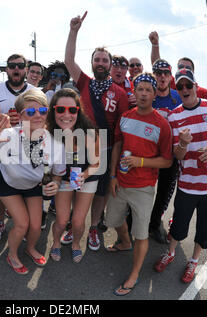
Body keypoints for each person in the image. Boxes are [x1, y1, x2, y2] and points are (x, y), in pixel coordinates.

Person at [0, 89, 65, 274]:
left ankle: (30, 248)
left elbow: (58, 173)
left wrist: (55, 183)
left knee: (35, 226)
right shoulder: (8, 136)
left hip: (32, 184)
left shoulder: (55, 141)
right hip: (8, 183)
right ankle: (12, 255)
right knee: (22, 224)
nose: (38, 116)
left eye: (42, 111)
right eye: (30, 112)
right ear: (20, 115)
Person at [154, 69, 207, 283]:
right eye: (180, 87)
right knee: (179, 224)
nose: (185, 90)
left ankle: (194, 261)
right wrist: (182, 143)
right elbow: (176, 154)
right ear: (177, 90)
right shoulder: (175, 115)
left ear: (196, 86)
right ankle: (170, 253)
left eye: (188, 85)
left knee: (205, 227)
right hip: (187, 184)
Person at [64, 11, 129, 251]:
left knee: (100, 191)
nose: (101, 63)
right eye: (97, 59)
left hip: (105, 147)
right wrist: (73, 31)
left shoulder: (121, 94)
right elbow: (69, 61)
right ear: (92, 62)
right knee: (75, 185)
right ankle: (73, 223)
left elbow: (121, 129)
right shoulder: (84, 82)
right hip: (79, 144)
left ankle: (93, 227)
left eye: (105, 60)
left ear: (110, 65)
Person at [106, 73, 173, 296]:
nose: (143, 93)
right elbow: (117, 145)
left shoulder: (162, 125)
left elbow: (167, 160)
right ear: (134, 92)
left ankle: (133, 275)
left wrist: (140, 161)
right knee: (113, 220)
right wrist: (113, 176)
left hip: (143, 187)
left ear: (155, 94)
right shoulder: (125, 116)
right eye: (140, 89)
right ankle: (124, 243)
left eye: (148, 90)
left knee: (141, 234)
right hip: (120, 181)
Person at [0, 53, 37, 243]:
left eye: (20, 65)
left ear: (25, 69)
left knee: (23, 187)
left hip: (25, 148)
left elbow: (40, 120)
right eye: (12, 66)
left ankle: (19, 224)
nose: (16, 69)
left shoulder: (34, 91)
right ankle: (0, 222)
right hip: (1, 148)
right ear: (6, 69)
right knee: (0, 191)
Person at [45, 88, 100, 263]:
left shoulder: (89, 133)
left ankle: (76, 243)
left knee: (77, 221)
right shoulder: (47, 133)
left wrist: (84, 175)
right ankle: (55, 243)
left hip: (86, 178)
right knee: (61, 221)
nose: (66, 114)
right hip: (62, 180)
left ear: (78, 111)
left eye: (72, 110)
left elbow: (97, 164)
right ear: (53, 110)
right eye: (60, 109)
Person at [148, 59, 182, 244]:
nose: (162, 76)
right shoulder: (147, 93)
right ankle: (134, 220)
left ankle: (155, 224)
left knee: (164, 193)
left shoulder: (178, 97)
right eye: (158, 72)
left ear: (170, 76)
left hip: (170, 155)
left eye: (165, 73)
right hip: (148, 153)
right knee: (142, 189)